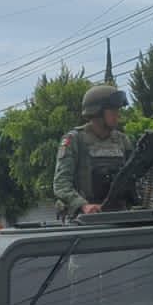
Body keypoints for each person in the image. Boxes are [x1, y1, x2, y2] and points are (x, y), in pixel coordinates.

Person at [53, 84, 135, 218]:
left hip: (118, 215)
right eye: (113, 111)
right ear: (98, 112)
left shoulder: (122, 140)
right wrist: (83, 205)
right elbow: (61, 183)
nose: (118, 115)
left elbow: (133, 178)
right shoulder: (75, 139)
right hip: (82, 219)